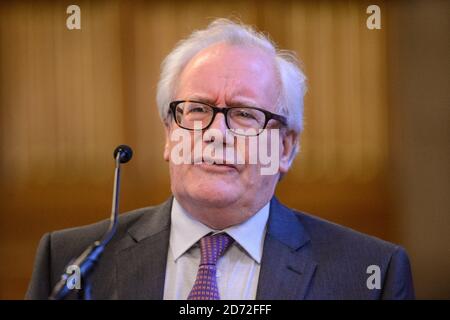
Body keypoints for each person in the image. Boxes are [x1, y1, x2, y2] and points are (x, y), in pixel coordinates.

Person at [26, 18, 414, 300]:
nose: (216, 132)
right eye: (197, 109)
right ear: (168, 135)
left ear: (284, 148)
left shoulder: (369, 273)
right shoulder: (69, 261)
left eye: (245, 114)